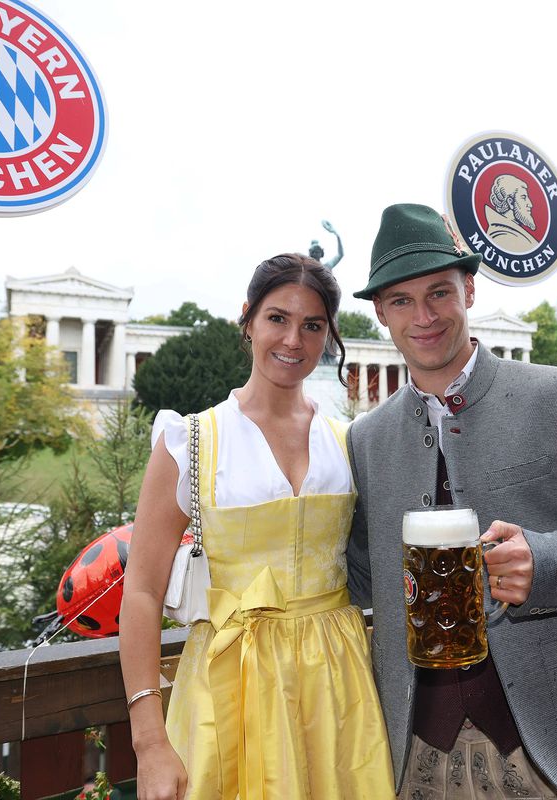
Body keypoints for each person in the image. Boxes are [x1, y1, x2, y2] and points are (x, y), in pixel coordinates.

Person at [346, 204, 557, 800]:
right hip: (416, 751)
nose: (425, 316)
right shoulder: (365, 438)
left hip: (546, 747)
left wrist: (545, 560)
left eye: (439, 292)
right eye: (403, 301)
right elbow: (360, 574)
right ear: (381, 313)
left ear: (468, 287)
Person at [119, 253, 394, 800]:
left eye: (312, 325)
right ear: (247, 320)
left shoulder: (347, 441)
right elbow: (143, 591)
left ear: (329, 336)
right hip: (228, 682)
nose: (294, 339)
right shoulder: (190, 441)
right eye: (277, 318)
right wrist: (150, 742)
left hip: (335, 684)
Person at [485, 174, 540, 251]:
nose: (530, 204)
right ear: (510, 202)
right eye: (523, 197)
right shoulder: (502, 236)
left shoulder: (514, 232)